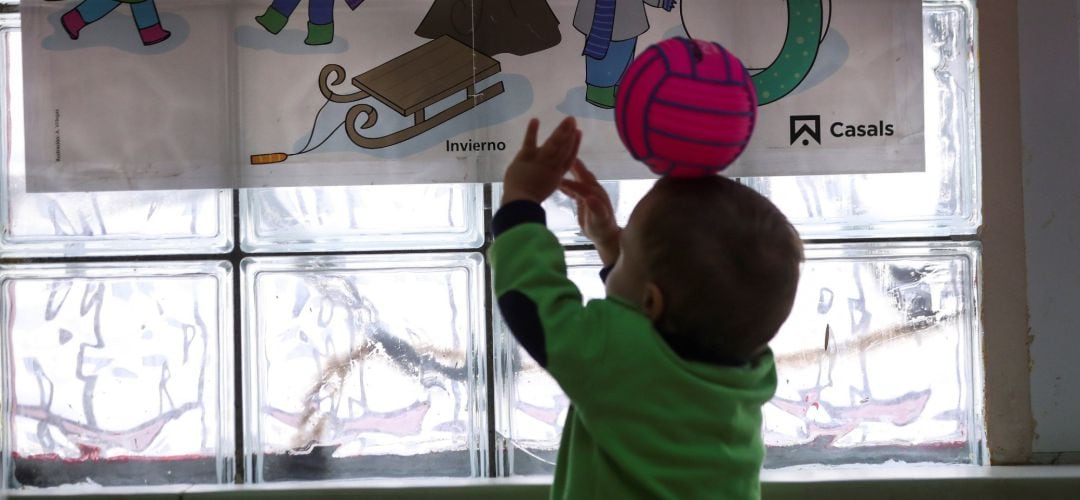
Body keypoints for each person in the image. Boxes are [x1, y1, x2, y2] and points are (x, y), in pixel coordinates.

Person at [490, 116, 803, 498]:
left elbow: (532, 302)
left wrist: (520, 201)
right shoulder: (748, 372)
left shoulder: (619, 364)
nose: (617, 259)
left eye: (624, 259)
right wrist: (610, 245)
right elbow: (654, 319)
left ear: (651, 300)